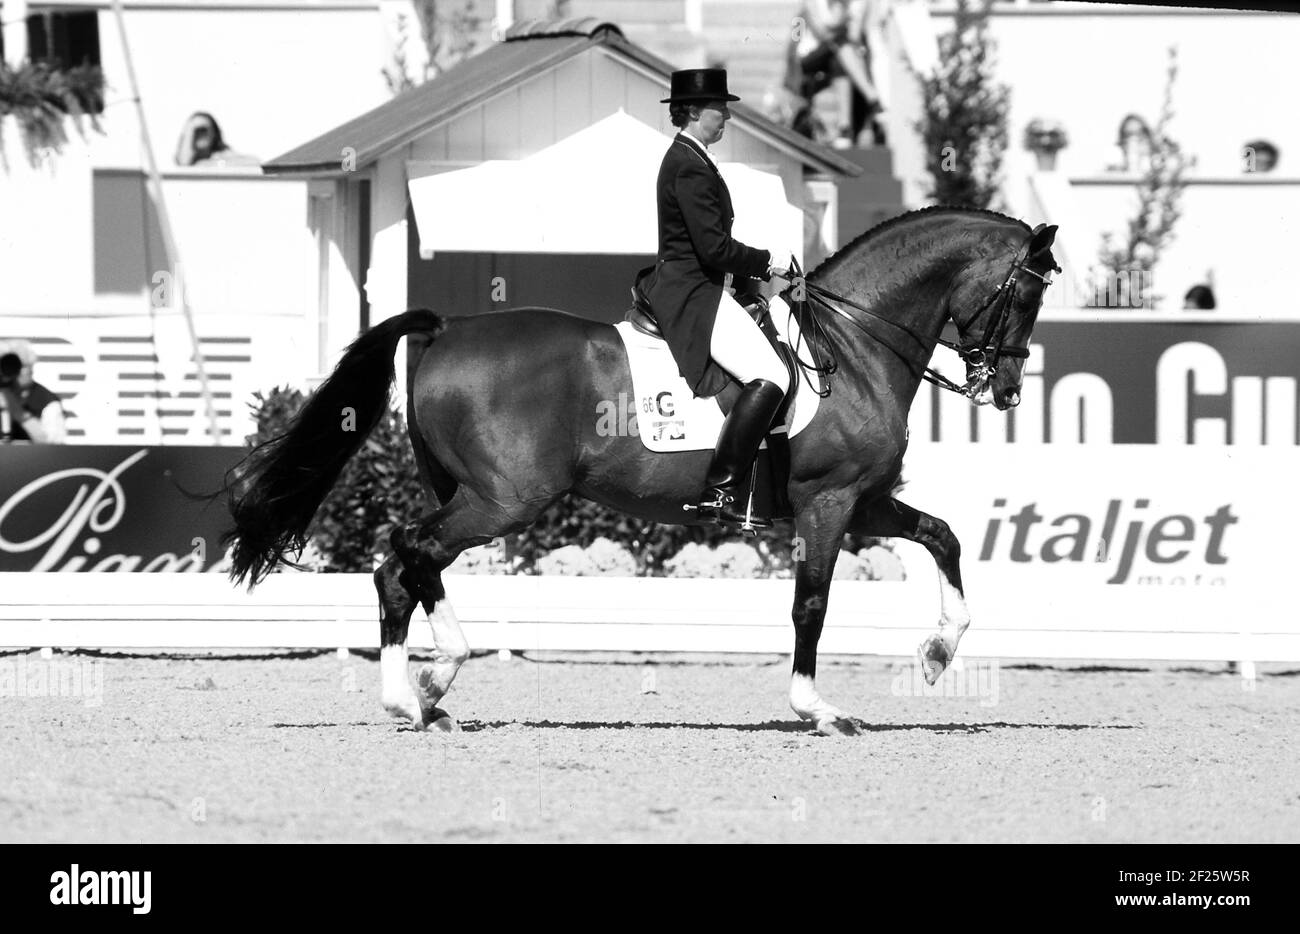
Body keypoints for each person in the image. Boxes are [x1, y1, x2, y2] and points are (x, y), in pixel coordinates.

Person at [635, 68, 793, 529]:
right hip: (692, 292)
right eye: (718, 108)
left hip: (706, 284)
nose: (726, 115)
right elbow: (713, 248)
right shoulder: (687, 162)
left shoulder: (695, 157)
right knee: (772, 375)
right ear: (691, 112)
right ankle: (720, 490)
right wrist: (769, 262)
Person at [786, 0, 884, 148]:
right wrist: (842, 21)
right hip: (808, 56)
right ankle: (871, 97)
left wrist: (842, 13)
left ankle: (845, 127)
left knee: (839, 61)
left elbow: (854, 35)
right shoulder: (812, 3)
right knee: (841, 47)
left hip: (833, 55)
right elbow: (821, 32)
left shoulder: (848, 5)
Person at [0, 339, 67, 443]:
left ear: (31, 368)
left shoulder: (48, 402)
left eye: (17, 366)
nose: (10, 371)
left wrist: (17, 410)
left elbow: (53, 445)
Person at [174, 112, 259, 167]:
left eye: (203, 130)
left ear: (214, 133)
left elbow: (255, 163)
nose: (200, 135)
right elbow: (184, 164)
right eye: (195, 131)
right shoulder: (192, 162)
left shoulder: (222, 155)